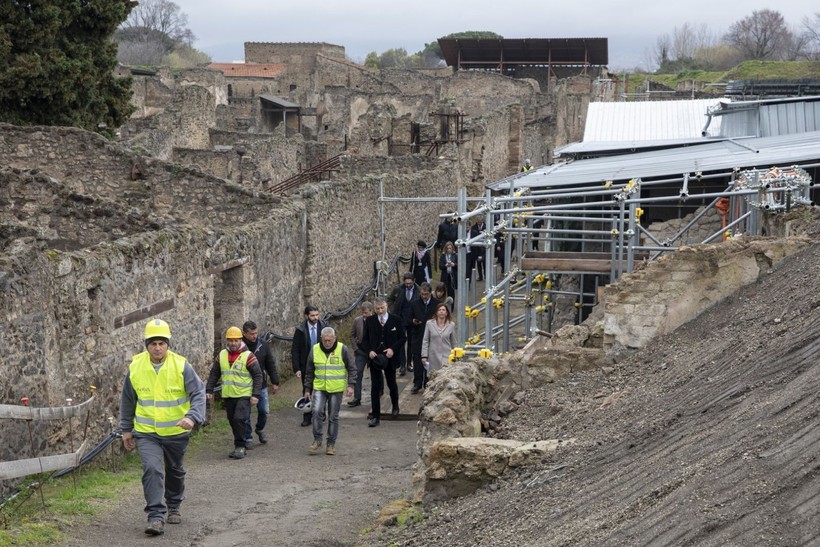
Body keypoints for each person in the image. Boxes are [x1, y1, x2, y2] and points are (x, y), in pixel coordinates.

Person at [119, 319, 206, 537]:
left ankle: (174, 505)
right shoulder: (135, 367)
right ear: (146, 345)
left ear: (168, 345)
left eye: (161, 343)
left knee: (175, 471)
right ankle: (156, 517)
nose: (157, 347)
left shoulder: (181, 365)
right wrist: (126, 429)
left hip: (176, 431)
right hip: (147, 432)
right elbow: (128, 400)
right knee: (152, 469)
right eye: (153, 343)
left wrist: (192, 417)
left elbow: (198, 393)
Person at [206, 326, 262, 460]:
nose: (233, 343)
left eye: (236, 340)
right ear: (227, 341)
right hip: (228, 395)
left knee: (239, 419)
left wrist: (255, 395)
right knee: (232, 420)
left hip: (244, 394)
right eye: (231, 340)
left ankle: (240, 446)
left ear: (240, 340)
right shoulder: (222, 355)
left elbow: (258, 376)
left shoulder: (248, 356)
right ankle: (239, 443)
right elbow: (215, 373)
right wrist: (209, 389)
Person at [304, 327, 356, 455]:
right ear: (321, 338)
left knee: (333, 416)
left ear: (334, 338)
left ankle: (331, 444)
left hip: (336, 388)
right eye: (325, 340)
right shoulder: (315, 349)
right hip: (320, 387)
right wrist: (307, 389)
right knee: (316, 412)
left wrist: (351, 385)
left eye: (330, 340)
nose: (328, 343)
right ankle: (317, 440)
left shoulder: (342, 349)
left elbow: (352, 368)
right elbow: (309, 371)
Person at [360, 297, 405, 427]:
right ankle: (375, 416)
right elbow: (365, 340)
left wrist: (392, 349)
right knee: (375, 387)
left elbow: (403, 338)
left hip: (390, 357)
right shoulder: (370, 321)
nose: (380, 311)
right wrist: (369, 351)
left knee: (391, 383)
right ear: (374, 309)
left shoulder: (396, 319)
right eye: (378, 309)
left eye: (382, 308)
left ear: (386, 307)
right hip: (375, 357)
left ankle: (395, 406)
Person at [242, 321, 280, 449]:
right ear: (244, 333)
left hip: (261, 384)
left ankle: (260, 428)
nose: (254, 336)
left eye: (256, 333)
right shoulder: (239, 347)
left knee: (264, 410)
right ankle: (248, 437)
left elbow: (270, 363)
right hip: (244, 385)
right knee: (245, 414)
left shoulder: (263, 344)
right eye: (251, 334)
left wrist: (275, 381)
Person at [291, 305, 326, 426]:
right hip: (306, 364)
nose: (315, 317)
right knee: (307, 389)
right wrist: (297, 368)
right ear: (306, 316)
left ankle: (321, 413)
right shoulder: (300, 330)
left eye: (317, 315)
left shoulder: (324, 327)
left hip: (321, 363)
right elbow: (295, 350)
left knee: (321, 388)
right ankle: (307, 415)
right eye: (312, 315)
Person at [409, 283, 440, 394]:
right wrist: (413, 321)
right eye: (422, 294)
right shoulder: (414, 304)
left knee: (430, 361)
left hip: (432, 337)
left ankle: (428, 382)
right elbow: (408, 318)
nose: (424, 296)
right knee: (417, 361)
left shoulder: (437, 304)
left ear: (430, 293)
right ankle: (417, 383)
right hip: (418, 336)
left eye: (426, 294)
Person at [387, 272, 419, 377]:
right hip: (400, 319)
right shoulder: (398, 289)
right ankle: (402, 365)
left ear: (414, 281)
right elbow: (390, 300)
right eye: (406, 283)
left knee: (411, 342)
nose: (408, 285)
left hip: (412, 320)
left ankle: (409, 362)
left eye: (410, 283)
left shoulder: (418, 290)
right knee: (401, 342)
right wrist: (393, 311)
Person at [348, 301, 373, 407]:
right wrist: (356, 348)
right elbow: (352, 335)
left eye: (366, 313)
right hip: (361, 351)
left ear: (371, 311)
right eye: (363, 312)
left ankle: (379, 392)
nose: (364, 315)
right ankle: (357, 398)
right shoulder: (357, 321)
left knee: (376, 373)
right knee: (357, 373)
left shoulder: (376, 321)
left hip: (373, 352)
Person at [421, 302, 457, 376]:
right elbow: (425, 340)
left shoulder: (451, 325)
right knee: (433, 377)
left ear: (446, 313)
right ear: (437, 312)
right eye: (439, 310)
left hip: (447, 356)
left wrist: (456, 355)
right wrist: (424, 355)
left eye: (443, 310)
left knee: (446, 377)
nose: (441, 311)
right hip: (433, 357)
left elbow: (453, 341)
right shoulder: (429, 324)